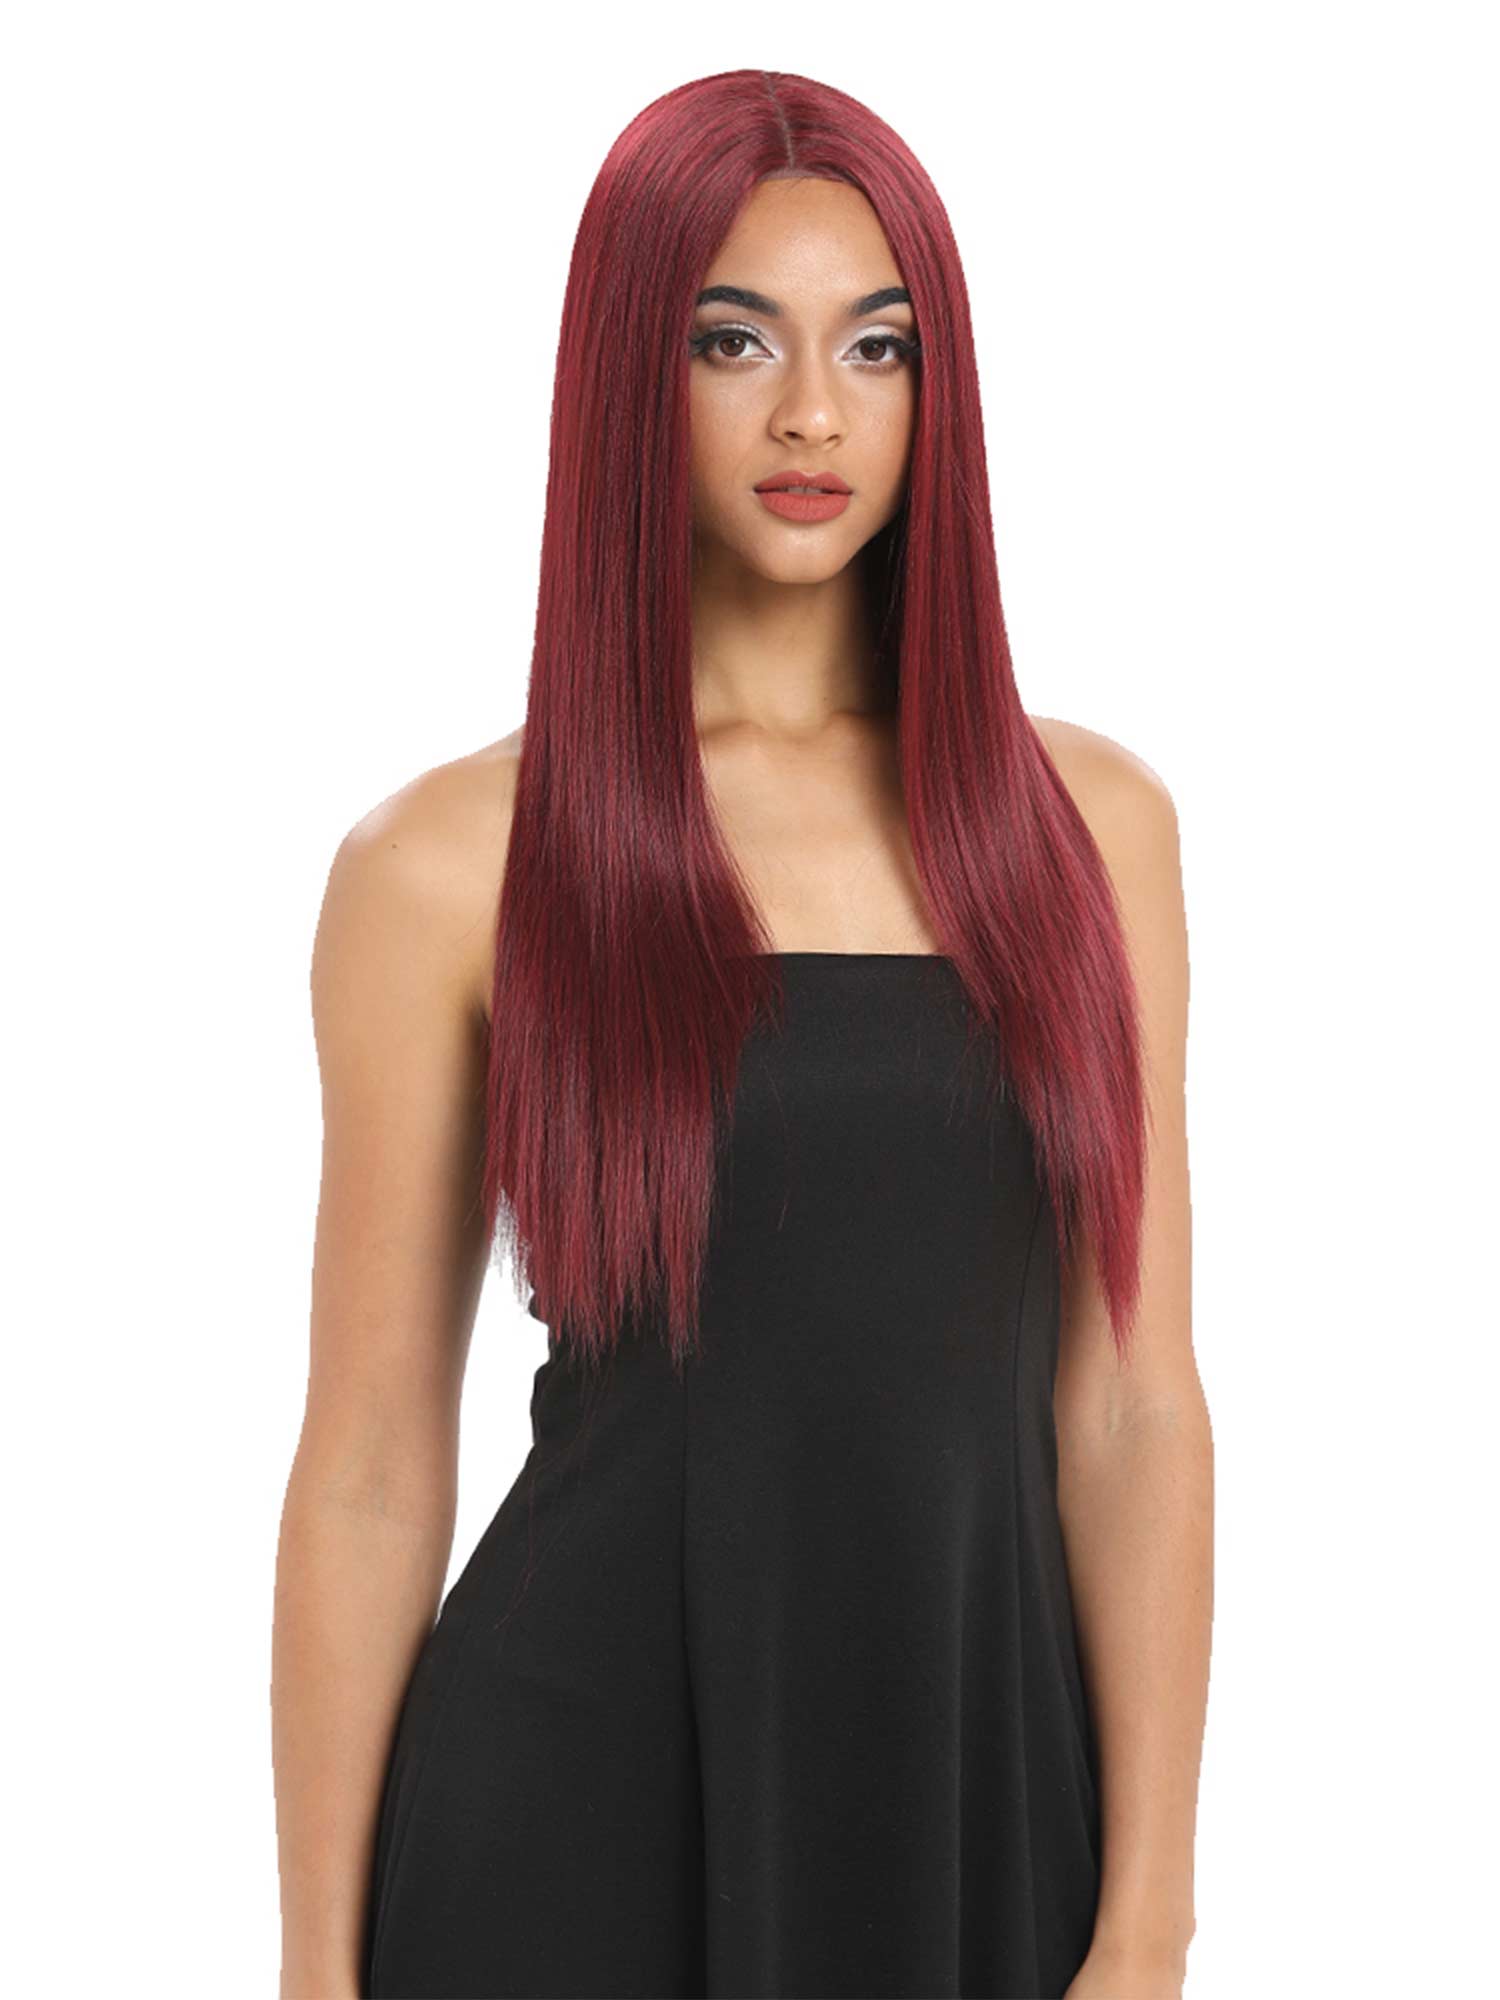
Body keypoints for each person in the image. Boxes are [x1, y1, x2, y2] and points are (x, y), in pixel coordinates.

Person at [272, 68, 1210, 2000]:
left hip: (973, 1809)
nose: (811, 414)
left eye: (877, 345)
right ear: (632, 373)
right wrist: (310, 1965)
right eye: (733, 340)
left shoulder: (1088, 831)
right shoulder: (446, 864)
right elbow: (368, 1454)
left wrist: (1151, 1918)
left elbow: (1131, 1403)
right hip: (567, 1820)